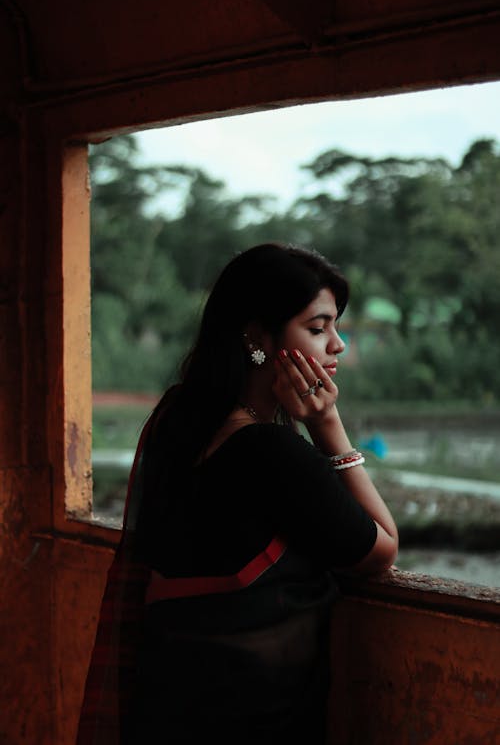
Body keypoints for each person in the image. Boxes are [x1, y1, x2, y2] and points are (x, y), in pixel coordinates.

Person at [78, 242, 398, 745]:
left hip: (168, 709)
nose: (338, 345)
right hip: (251, 720)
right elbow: (381, 550)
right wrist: (329, 427)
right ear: (257, 337)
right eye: (318, 328)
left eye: (335, 327)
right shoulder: (268, 451)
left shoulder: (177, 417)